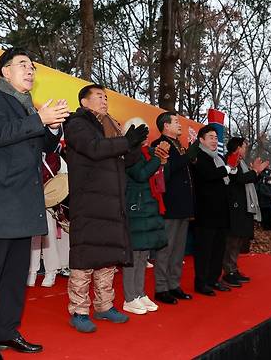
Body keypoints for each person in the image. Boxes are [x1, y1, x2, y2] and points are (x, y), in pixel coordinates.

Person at [0, 48, 66, 359]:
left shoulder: (29, 108)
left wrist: (51, 127)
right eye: (23, 64)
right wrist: (40, 119)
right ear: (5, 71)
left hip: (27, 200)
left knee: (15, 275)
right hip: (1, 200)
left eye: (33, 66)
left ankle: (7, 331)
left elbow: (44, 146)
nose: (30, 71)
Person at [64, 83, 148, 333]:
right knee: (85, 256)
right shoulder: (77, 124)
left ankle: (104, 306)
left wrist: (134, 145)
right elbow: (94, 149)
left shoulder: (111, 125)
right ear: (84, 102)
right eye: (99, 96)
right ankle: (79, 311)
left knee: (108, 257)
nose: (104, 101)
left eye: (105, 97)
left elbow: (127, 162)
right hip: (89, 200)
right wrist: (125, 141)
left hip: (113, 201)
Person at [121, 136, 169, 315]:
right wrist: (157, 159)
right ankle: (129, 297)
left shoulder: (149, 153)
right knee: (133, 255)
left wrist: (162, 160)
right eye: (142, 132)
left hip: (149, 208)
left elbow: (161, 178)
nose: (146, 137)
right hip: (135, 209)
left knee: (143, 255)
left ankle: (140, 293)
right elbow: (141, 174)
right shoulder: (130, 155)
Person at [150, 112, 194, 305]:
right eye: (176, 122)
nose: (179, 125)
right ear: (165, 126)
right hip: (169, 204)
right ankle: (161, 288)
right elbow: (171, 169)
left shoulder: (179, 145)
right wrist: (193, 150)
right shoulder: (160, 145)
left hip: (183, 205)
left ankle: (174, 284)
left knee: (178, 250)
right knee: (165, 249)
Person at [192, 125, 236, 296]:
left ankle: (213, 279)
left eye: (216, 138)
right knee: (205, 249)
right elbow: (207, 175)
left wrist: (229, 170)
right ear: (201, 140)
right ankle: (201, 282)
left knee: (219, 248)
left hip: (221, 212)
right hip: (205, 212)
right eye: (210, 137)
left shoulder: (218, 158)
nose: (214, 140)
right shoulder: (198, 156)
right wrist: (224, 170)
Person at [221, 138, 267, 287]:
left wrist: (255, 173)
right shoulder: (230, 159)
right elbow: (239, 179)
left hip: (242, 205)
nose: (246, 149)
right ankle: (229, 271)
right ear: (238, 147)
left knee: (238, 240)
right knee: (232, 241)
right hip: (234, 206)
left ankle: (233, 268)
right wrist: (254, 171)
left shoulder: (241, 161)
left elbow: (247, 180)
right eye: (244, 146)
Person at [28, 151, 67, 288]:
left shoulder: (55, 157)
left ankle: (51, 271)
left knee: (49, 237)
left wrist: (56, 192)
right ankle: (31, 271)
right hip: (30, 202)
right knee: (33, 238)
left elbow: (65, 178)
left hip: (49, 203)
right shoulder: (26, 154)